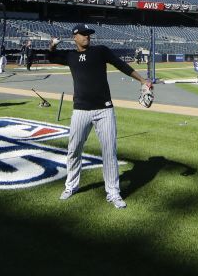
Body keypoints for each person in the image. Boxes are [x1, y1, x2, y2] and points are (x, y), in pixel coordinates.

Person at [47, 24, 152, 210]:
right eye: (84, 34)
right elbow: (51, 56)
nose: (87, 36)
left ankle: (113, 192)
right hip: (80, 110)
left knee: (109, 152)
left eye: (89, 34)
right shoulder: (70, 56)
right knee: (73, 150)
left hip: (104, 110)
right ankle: (71, 186)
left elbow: (121, 65)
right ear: (75, 37)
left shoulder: (101, 51)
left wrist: (143, 80)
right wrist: (52, 46)